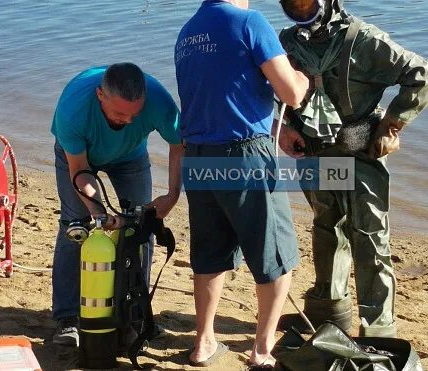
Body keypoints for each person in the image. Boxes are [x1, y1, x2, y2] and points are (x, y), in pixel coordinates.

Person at [276, 0, 428, 338]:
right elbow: (270, 87)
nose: (301, 10)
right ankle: (330, 312)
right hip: (316, 153)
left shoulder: (364, 41)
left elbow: (423, 76)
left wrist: (392, 125)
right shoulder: (287, 43)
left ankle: (378, 329)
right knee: (326, 227)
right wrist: (285, 127)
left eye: (307, 2)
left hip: (360, 155)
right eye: (293, 4)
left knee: (369, 236)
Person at [175, 0, 310, 368]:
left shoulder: (187, 32)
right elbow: (292, 94)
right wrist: (302, 77)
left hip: (199, 156)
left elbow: (218, 91)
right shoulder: (250, 22)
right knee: (276, 257)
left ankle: (203, 343)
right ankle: (262, 350)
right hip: (245, 156)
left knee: (210, 254)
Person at [50, 62, 183, 346]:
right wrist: (98, 213)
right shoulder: (73, 110)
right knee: (76, 226)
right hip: (78, 157)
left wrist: (172, 195)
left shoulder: (158, 101)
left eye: (135, 113)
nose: (128, 120)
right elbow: (79, 170)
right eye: (120, 113)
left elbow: (178, 144)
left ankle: (135, 315)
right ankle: (67, 318)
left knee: (141, 227)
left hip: (130, 157)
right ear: (100, 95)